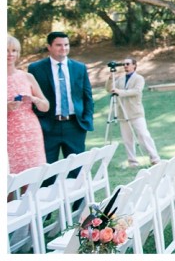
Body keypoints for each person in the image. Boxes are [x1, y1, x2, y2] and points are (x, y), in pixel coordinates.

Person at [28, 31, 95, 167]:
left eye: (66, 44)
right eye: (58, 45)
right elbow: (32, 97)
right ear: (49, 47)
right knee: (46, 172)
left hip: (75, 126)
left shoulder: (79, 68)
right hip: (47, 125)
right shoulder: (36, 68)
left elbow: (87, 96)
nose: (63, 48)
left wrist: (87, 119)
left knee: (76, 170)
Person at [105, 57, 160, 168]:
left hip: (135, 112)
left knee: (144, 135)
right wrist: (111, 78)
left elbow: (136, 91)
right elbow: (108, 89)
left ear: (134, 65)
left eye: (128, 64)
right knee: (127, 139)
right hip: (123, 113)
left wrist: (120, 92)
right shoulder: (120, 79)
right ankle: (132, 162)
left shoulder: (139, 78)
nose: (125, 66)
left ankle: (155, 158)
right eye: (124, 64)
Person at [7, 35, 51, 174]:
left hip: (30, 130)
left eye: (14, 50)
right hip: (7, 132)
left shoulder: (27, 77)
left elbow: (46, 106)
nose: (10, 54)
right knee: (10, 178)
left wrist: (34, 99)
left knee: (32, 175)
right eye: (6, 50)